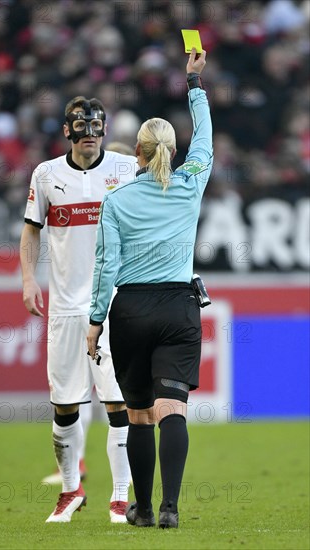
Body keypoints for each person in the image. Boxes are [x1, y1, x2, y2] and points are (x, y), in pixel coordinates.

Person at [87, 49, 212, 529]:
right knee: (173, 409)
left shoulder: (115, 201)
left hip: (132, 309)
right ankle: (170, 509)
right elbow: (207, 141)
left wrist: (96, 321)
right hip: (180, 307)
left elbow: (106, 265)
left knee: (138, 413)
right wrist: (194, 84)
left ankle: (139, 507)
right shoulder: (190, 183)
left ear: (134, 153)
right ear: (172, 152)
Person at [20, 97, 137, 523]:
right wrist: (29, 280)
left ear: (105, 131)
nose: (90, 135)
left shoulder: (124, 170)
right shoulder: (47, 174)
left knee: (117, 402)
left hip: (114, 305)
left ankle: (120, 498)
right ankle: (71, 491)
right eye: (82, 128)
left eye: (97, 128)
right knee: (65, 405)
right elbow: (31, 231)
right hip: (66, 309)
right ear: (67, 132)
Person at [40, 141, 135, 488]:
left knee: (114, 400)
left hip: (113, 304)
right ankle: (76, 469)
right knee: (74, 399)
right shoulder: (53, 178)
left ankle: (120, 490)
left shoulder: (128, 195)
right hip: (73, 305)